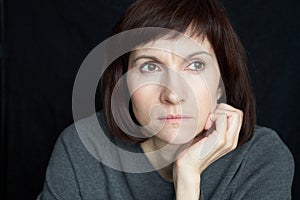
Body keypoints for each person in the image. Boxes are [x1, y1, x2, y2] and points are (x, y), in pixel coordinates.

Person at [37, 0, 294, 199]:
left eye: (195, 65)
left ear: (221, 85)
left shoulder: (261, 159)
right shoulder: (82, 149)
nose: (172, 94)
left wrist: (188, 178)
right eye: (150, 67)